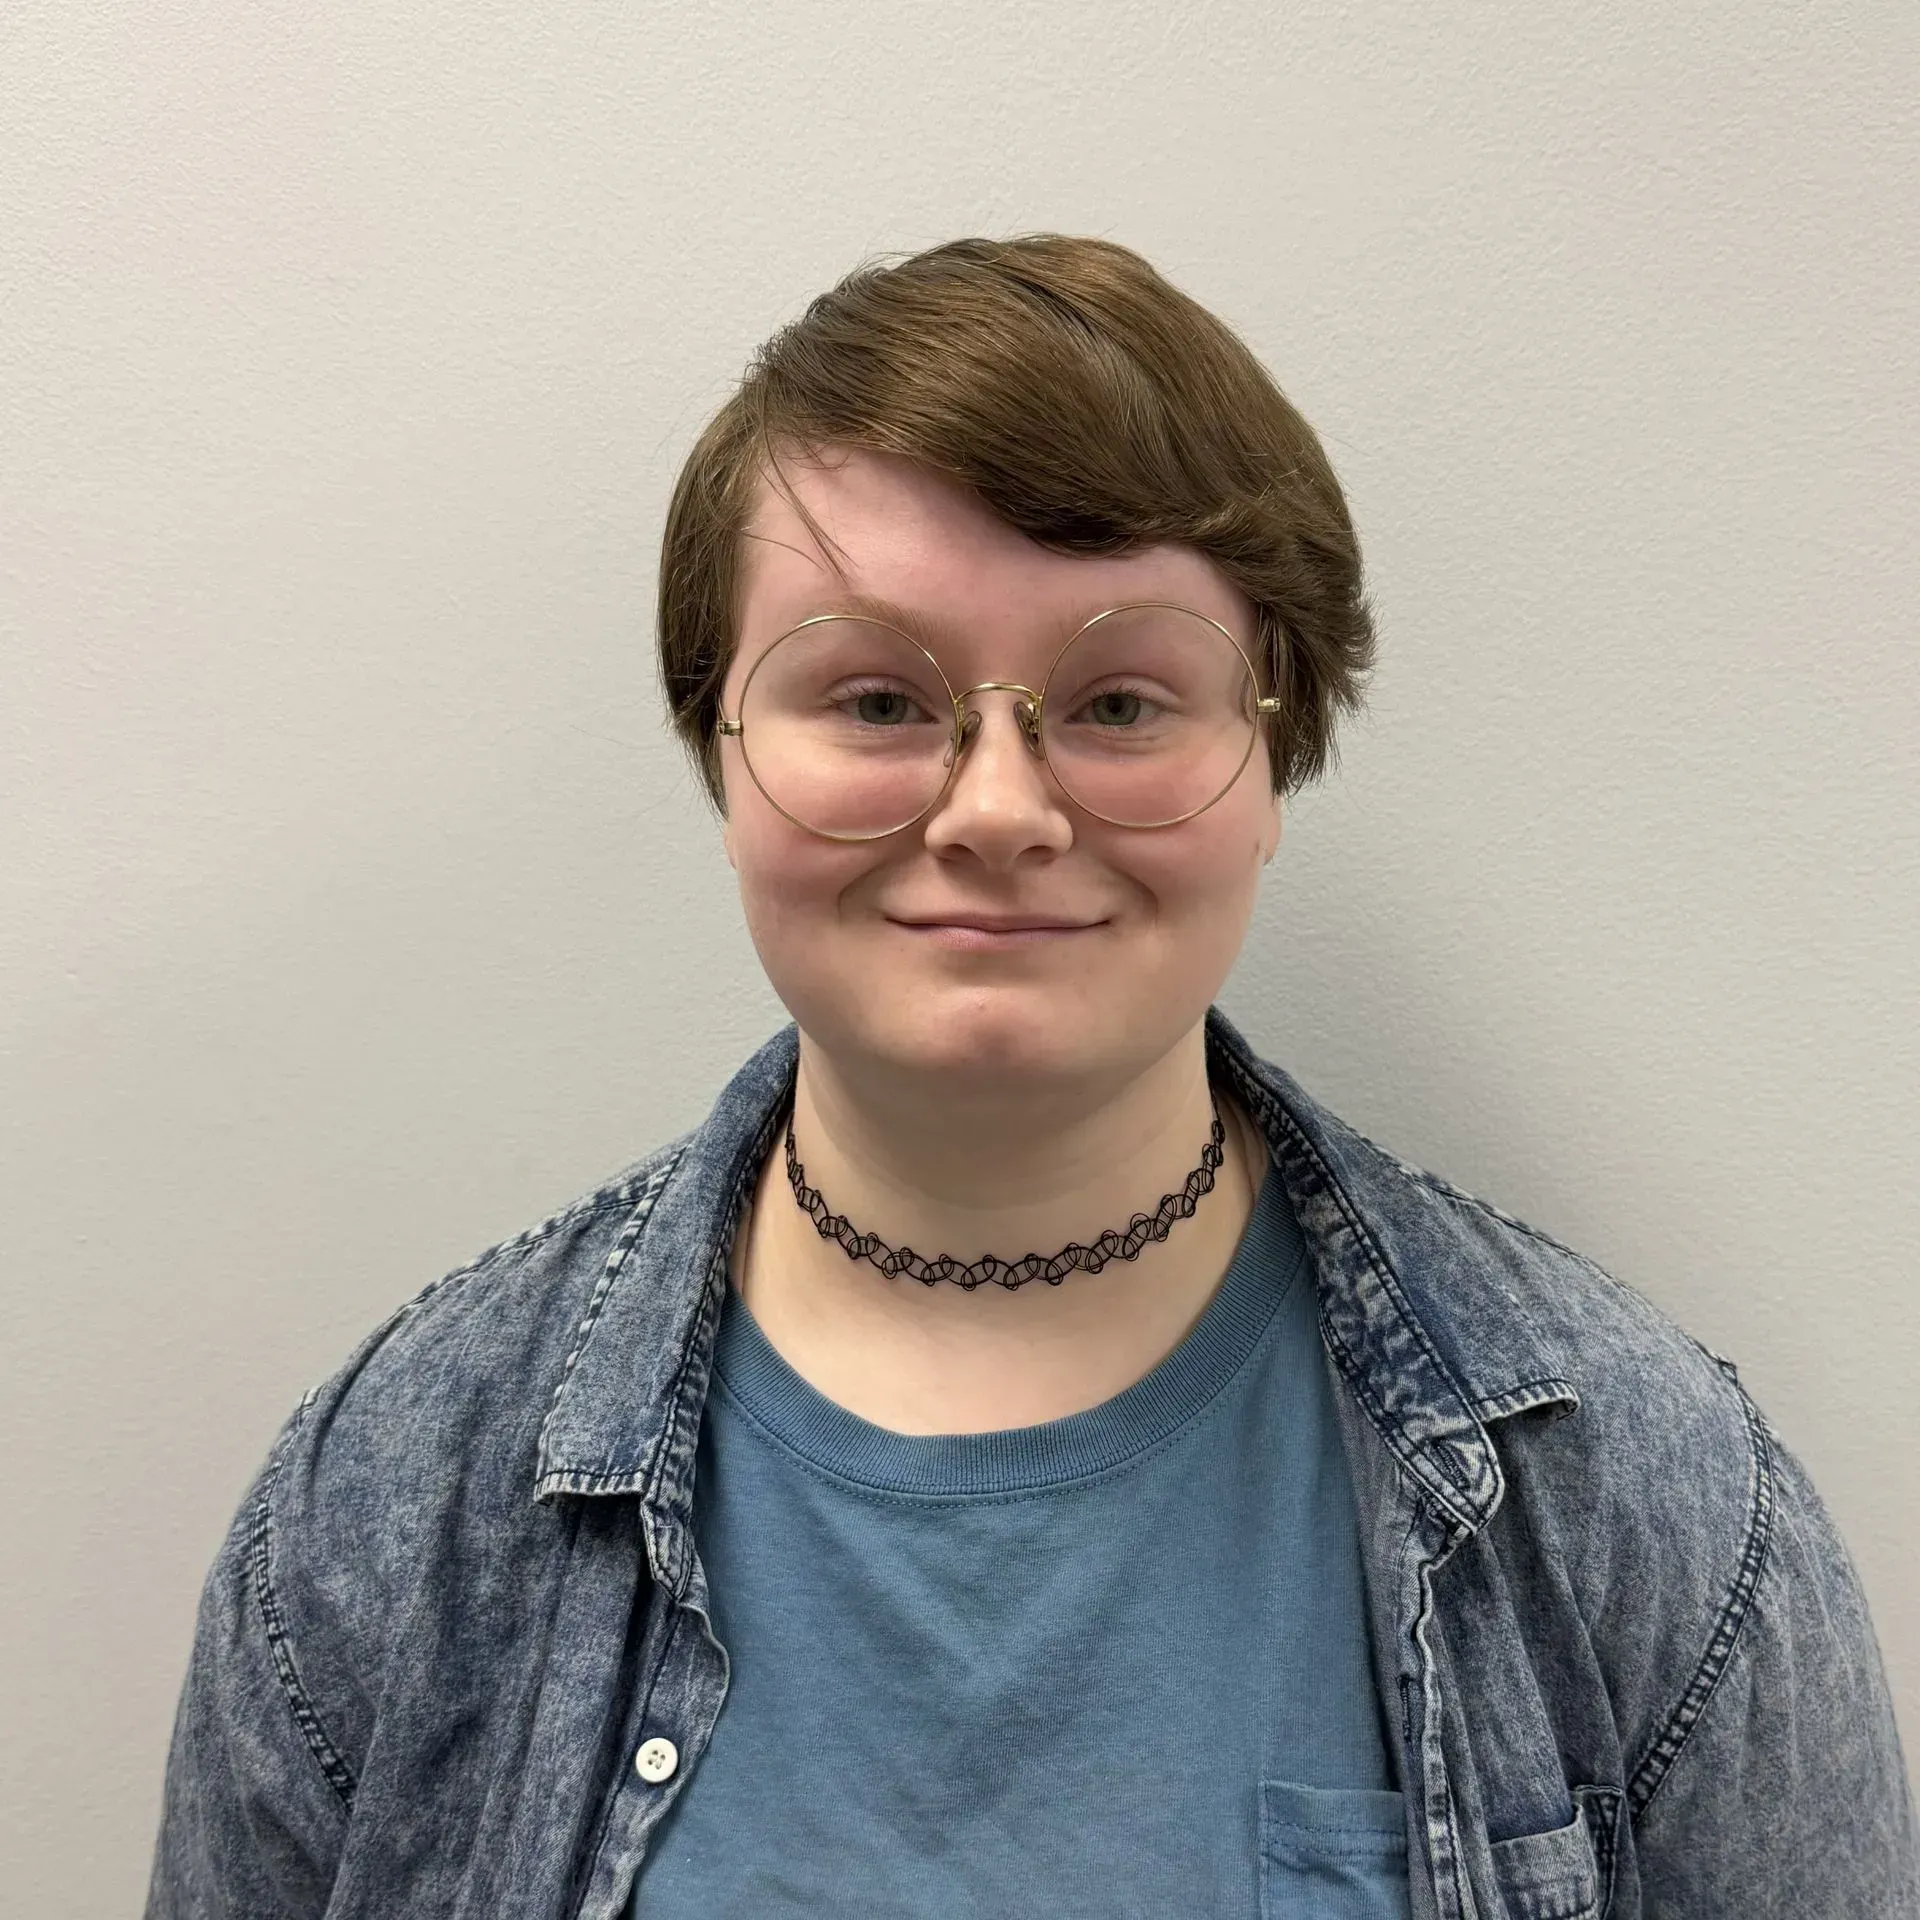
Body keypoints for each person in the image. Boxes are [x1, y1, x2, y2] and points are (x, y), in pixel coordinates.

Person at [145, 234, 1916, 1920]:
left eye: (1122, 702)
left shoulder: (1647, 1502)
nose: (998, 812)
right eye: (876, 701)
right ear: (723, 752)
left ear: (1274, 757)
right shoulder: (385, 1506)